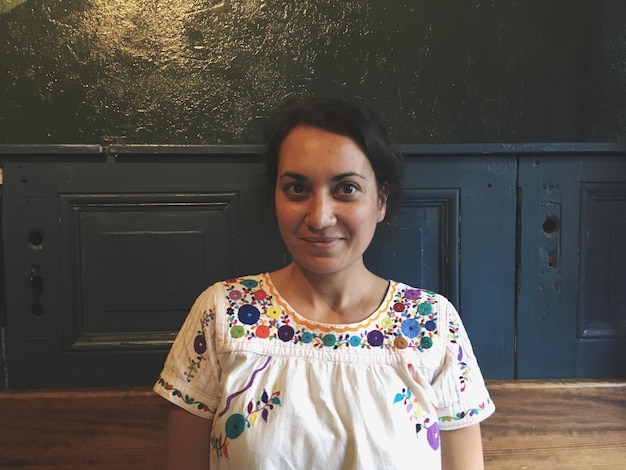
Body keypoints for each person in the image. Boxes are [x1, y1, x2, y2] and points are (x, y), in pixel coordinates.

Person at [154, 96, 495, 469]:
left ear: (380, 200)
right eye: (297, 189)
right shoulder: (223, 313)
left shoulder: (432, 323)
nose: (319, 217)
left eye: (346, 188)